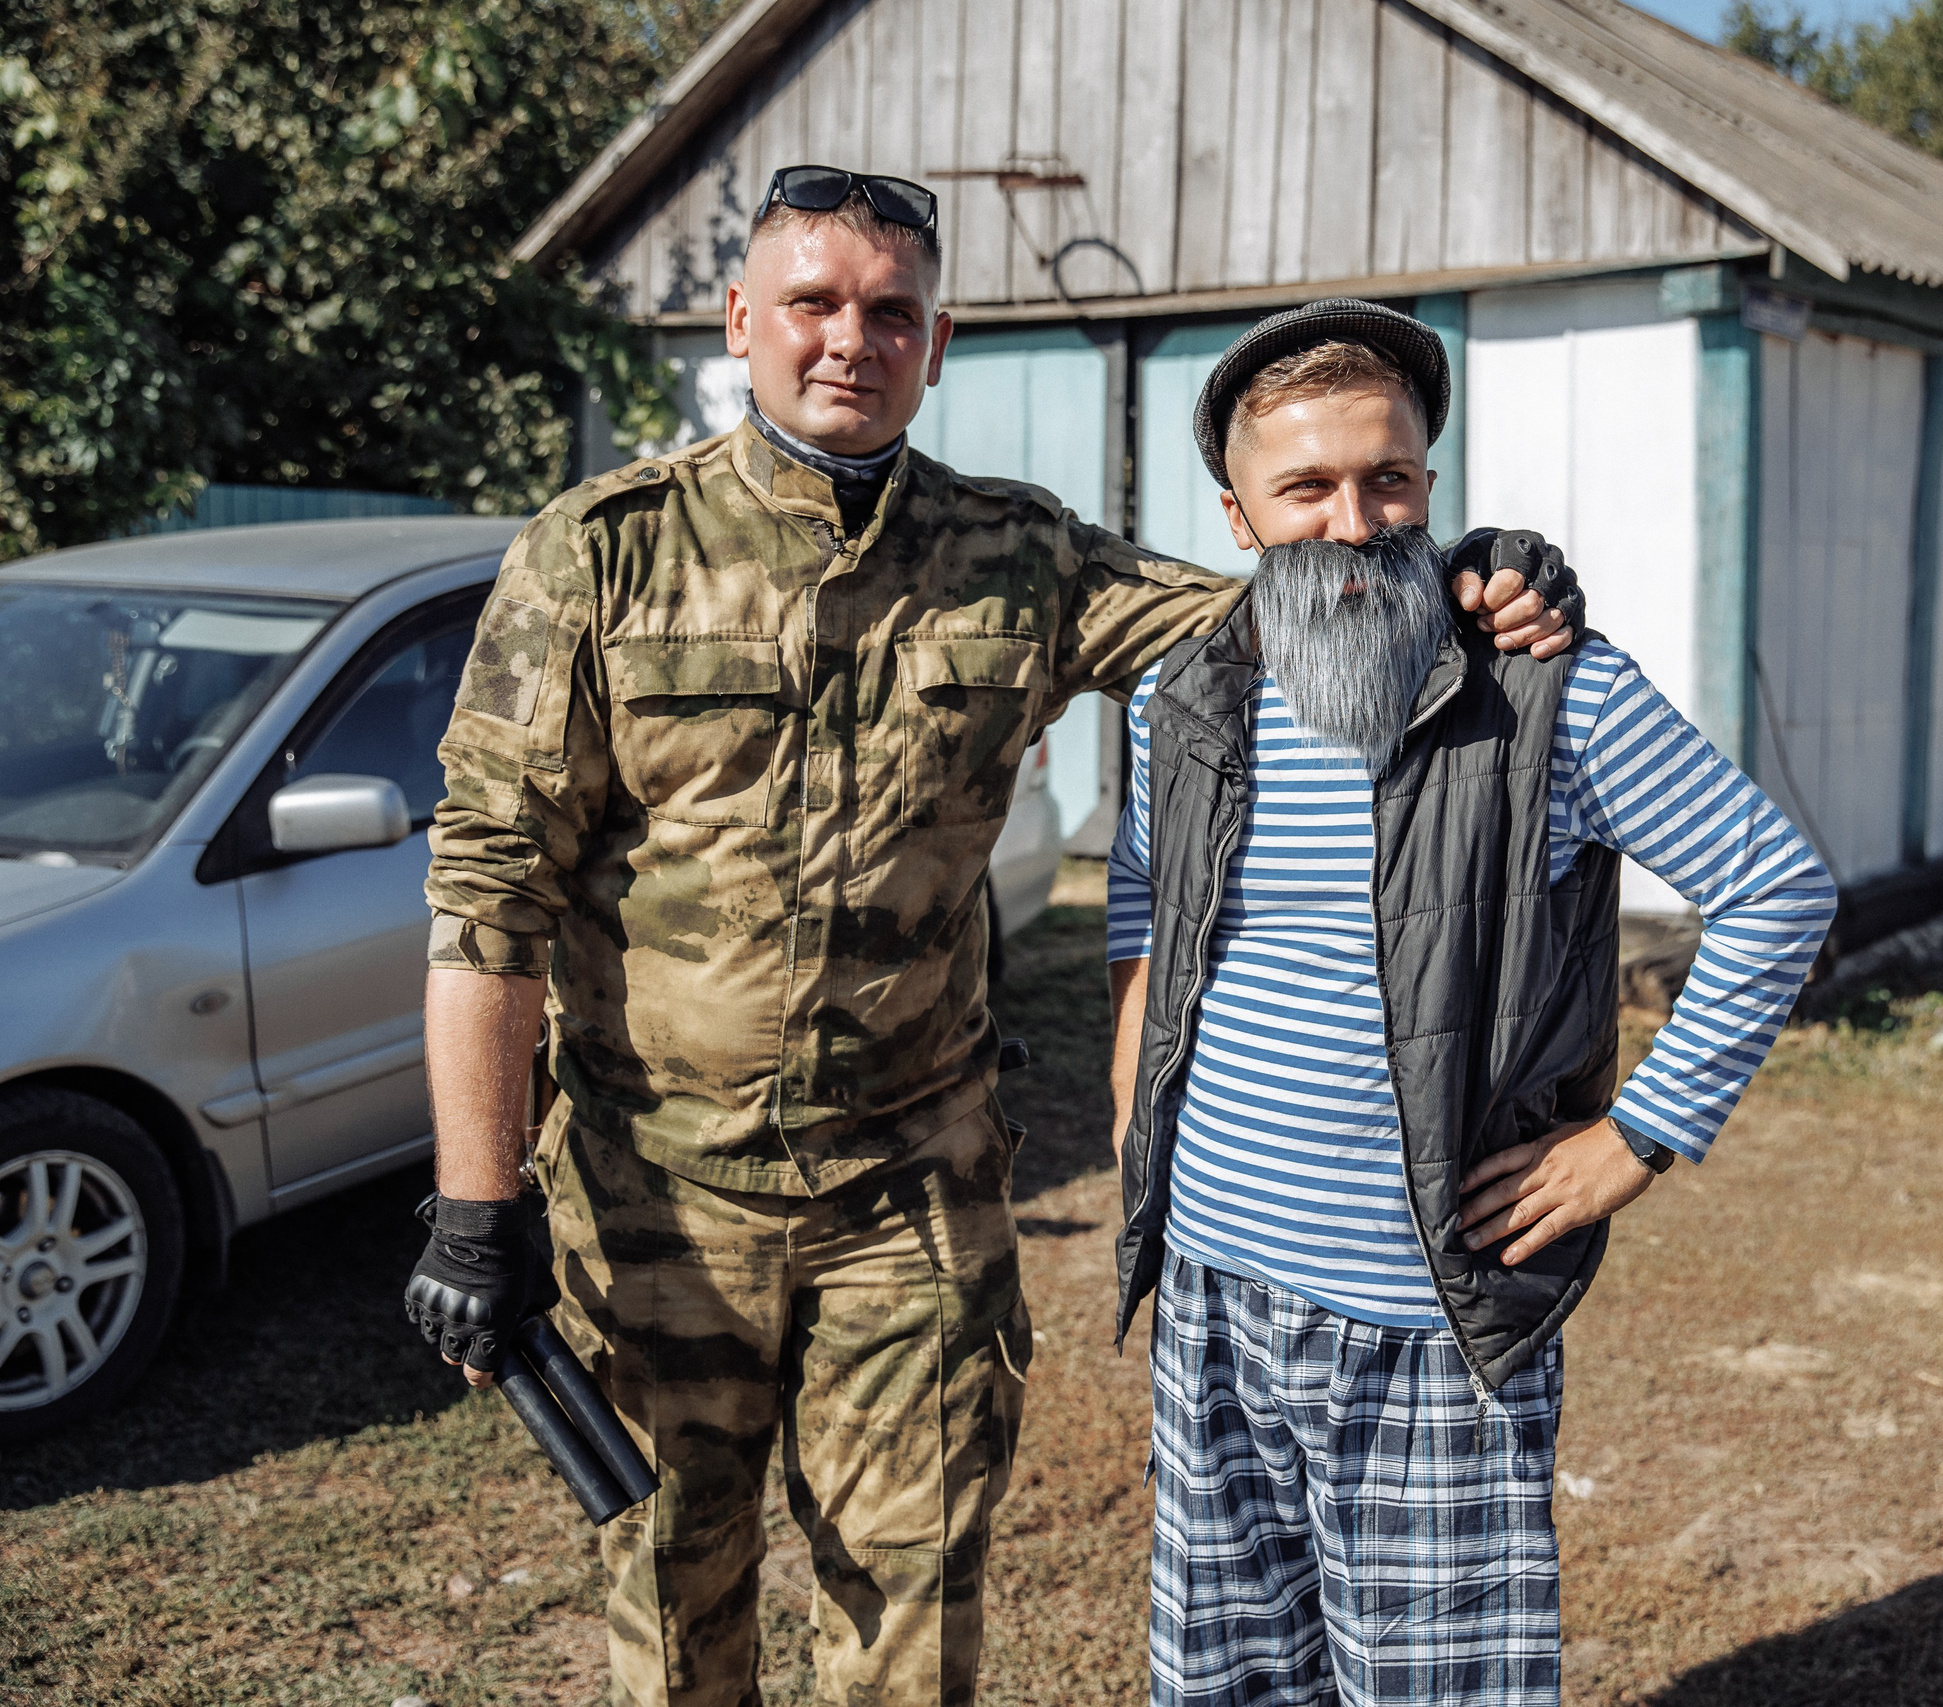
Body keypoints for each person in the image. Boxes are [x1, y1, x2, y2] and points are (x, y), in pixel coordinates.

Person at [399, 168, 1582, 1707]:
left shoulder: (1018, 556)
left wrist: (1467, 571)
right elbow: (488, 895)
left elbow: (1267, 611)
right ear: (743, 322)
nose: (849, 340)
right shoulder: (600, 554)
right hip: (654, 1204)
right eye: (813, 304)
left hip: (911, 1203)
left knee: (912, 1625)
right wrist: (476, 1210)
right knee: (675, 1618)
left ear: (937, 340)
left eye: (891, 311)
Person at [1105, 301, 1838, 1706]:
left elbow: (1776, 889)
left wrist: (1634, 1139)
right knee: (1227, 1686)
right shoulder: (1183, 695)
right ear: (1240, 514)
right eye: (1306, 487)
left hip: (1426, 1319)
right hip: (1212, 1294)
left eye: (1388, 479)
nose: (1352, 519)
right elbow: (1147, 907)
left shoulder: (1549, 692)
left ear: (1430, 490)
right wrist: (1141, 1122)